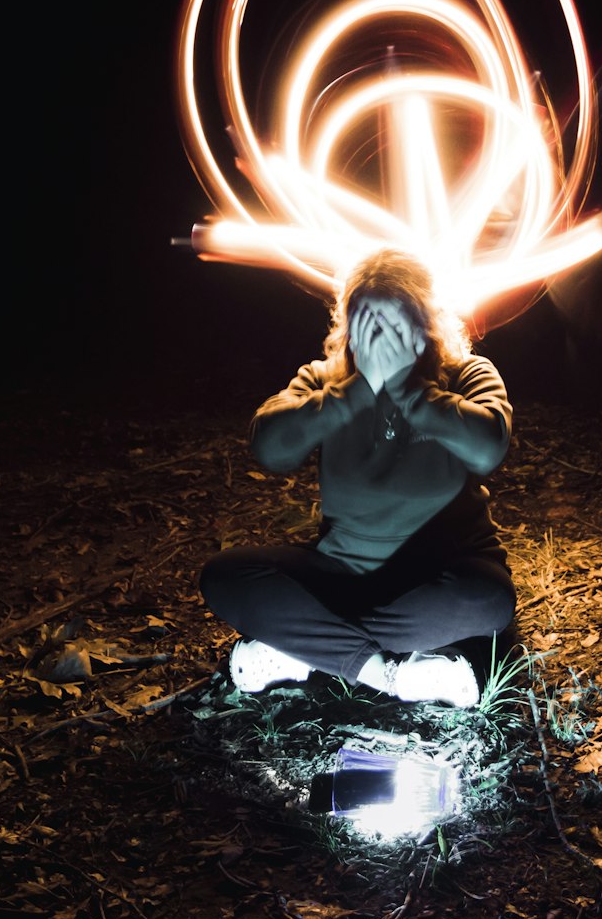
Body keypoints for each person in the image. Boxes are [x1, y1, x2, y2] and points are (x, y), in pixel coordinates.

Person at [199, 246, 516, 708]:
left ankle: (304, 649)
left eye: (396, 321)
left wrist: (409, 390)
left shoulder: (466, 374)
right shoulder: (325, 379)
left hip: (440, 573)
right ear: (348, 327)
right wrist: (357, 390)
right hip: (342, 572)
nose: (382, 337)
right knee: (224, 576)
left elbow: (488, 447)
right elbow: (270, 447)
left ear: (425, 324)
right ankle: (389, 673)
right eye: (369, 321)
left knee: (488, 601)